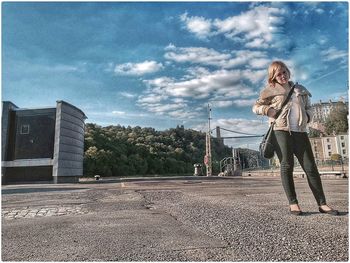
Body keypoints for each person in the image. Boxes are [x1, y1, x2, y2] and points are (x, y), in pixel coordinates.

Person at [252, 61, 339, 216]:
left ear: (288, 72)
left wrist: (307, 116)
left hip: (300, 132)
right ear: (273, 77)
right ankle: (293, 203)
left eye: (284, 72)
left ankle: (323, 204)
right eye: (278, 74)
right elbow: (255, 107)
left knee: (311, 167)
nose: (282, 76)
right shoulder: (269, 91)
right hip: (281, 132)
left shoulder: (300, 90)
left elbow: (309, 108)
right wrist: (267, 110)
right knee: (287, 166)